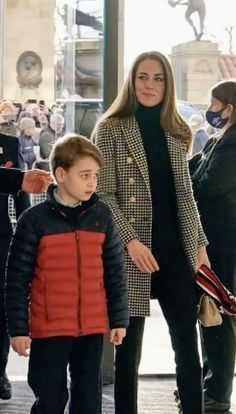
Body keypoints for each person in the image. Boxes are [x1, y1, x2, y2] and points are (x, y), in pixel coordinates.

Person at [93, 50, 210, 414]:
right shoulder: (110, 128)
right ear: (132, 80)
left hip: (176, 251)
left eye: (158, 78)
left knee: (187, 348)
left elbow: (185, 196)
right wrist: (130, 241)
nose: (149, 85)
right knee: (128, 353)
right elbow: (103, 193)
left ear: (167, 84)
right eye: (143, 76)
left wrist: (200, 246)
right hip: (130, 254)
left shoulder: (177, 129)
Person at [5, 134, 129, 414]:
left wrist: (119, 319)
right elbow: (16, 280)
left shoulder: (102, 216)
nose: (92, 183)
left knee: (88, 400)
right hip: (49, 330)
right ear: (60, 174)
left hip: (92, 329)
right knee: (49, 398)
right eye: (84, 175)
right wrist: (18, 330)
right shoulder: (34, 220)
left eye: (95, 175)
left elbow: (115, 271)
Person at [189, 80, 236, 413]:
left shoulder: (233, 144)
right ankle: (210, 385)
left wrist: (185, 184)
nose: (211, 111)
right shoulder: (220, 140)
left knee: (217, 317)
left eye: (214, 104)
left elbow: (210, 186)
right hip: (214, 242)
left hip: (223, 244)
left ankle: (217, 392)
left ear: (229, 107)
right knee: (211, 315)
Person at [0, 132, 30, 400]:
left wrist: (27, 227)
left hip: (2, 237)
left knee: (3, 307)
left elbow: (22, 193)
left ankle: (0, 372)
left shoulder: (9, 143)